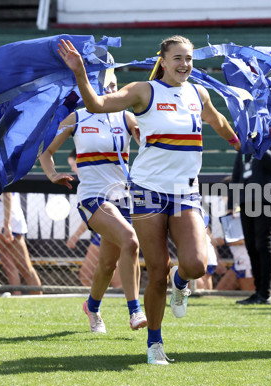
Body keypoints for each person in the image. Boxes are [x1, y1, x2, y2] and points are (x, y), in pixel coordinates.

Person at [58, 35, 241, 364]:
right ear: (164, 60)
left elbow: (216, 119)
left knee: (197, 264)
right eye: (178, 58)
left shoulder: (199, 93)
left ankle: (181, 281)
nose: (184, 64)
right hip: (147, 191)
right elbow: (98, 105)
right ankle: (154, 343)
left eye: (189, 58)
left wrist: (237, 141)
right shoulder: (144, 91)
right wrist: (80, 74)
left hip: (185, 191)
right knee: (157, 269)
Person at [40, 68, 148, 334]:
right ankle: (135, 310)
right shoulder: (77, 117)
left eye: (112, 85)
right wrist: (53, 174)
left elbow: (148, 142)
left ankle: (92, 307)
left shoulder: (126, 116)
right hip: (92, 197)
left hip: (123, 197)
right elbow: (46, 152)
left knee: (107, 264)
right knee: (131, 240)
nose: (109, 90)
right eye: (102, 85)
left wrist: (145, 136)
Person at [230, 143, 271, 305]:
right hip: (246, 199)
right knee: (251, 246)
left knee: (263, 244)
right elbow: (237, 173)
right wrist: (231, 203)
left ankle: (264, 293)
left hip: (267, 197)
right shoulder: (245, 144)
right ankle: (257, 292)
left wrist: (259, 145)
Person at [65, 149, 121, 288]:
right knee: (113, 277)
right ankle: (100, 304)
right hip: (112, 230)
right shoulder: (98, 179)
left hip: (111, 230)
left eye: (73, 165)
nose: (72, 170)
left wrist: (75, 236)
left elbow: (93, 213)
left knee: (88, 274)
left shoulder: (97, 181)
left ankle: (96, 304)